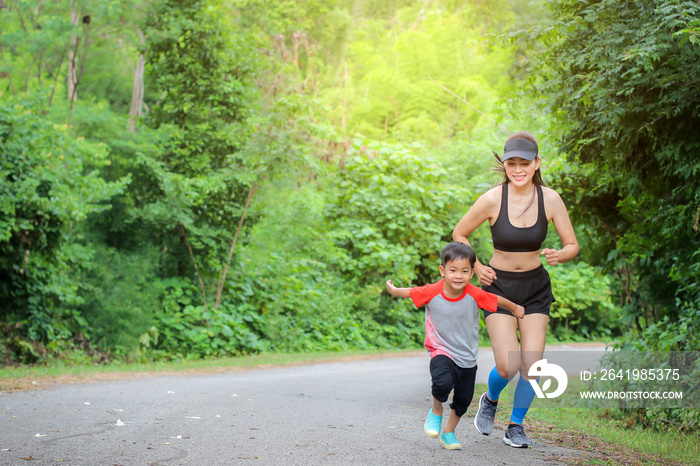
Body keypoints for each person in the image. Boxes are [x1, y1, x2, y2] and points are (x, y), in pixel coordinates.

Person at [452, 131, 579, 448]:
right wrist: (477, 266)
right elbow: (460, 233)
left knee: (532, 366)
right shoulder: (493, 198)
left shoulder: (550, 199)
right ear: (504, 165)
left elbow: (572, 245)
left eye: (525, 163)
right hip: (499, 287)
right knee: (508, 365)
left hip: (535, 287)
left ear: (537, 163)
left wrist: (560, 254)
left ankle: (516, 426)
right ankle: (491, 398)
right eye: (512, 163)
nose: (518, 169)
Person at [386, 242, 524, 450]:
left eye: (464, 271)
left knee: (463, 399)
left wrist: (515, 308)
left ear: (472, 273)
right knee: (442, 382)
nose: (458, 276)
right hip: (440, 349)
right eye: (453, 270)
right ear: (443, 271)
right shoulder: (432, 290)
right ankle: (436, 410)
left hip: (467, 356)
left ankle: (449, 432)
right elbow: (410, 292)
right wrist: (394, 290)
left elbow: (496, 299)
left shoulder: (474, 293)